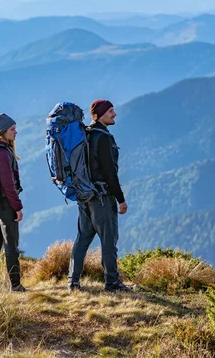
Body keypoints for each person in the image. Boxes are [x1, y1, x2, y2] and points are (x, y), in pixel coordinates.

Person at [68, 99, 132, 293]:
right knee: (108, 239)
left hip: (85, 196)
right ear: (100, 114)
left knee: (83, 238)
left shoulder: (85, 135)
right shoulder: (102, 138)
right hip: (102, 197)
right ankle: (112, 283)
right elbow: (109, 172)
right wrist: (120, 199)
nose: (114, 114)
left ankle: (73, 282)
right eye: (111, 111)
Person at [0, 113, 27, 292]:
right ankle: (15, 286)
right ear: (3, 132)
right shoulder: (2, 153)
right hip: (5, 204)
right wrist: (17, 207)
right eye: (12, 129)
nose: (16, 132)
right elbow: (8, 185)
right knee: (11, 245)